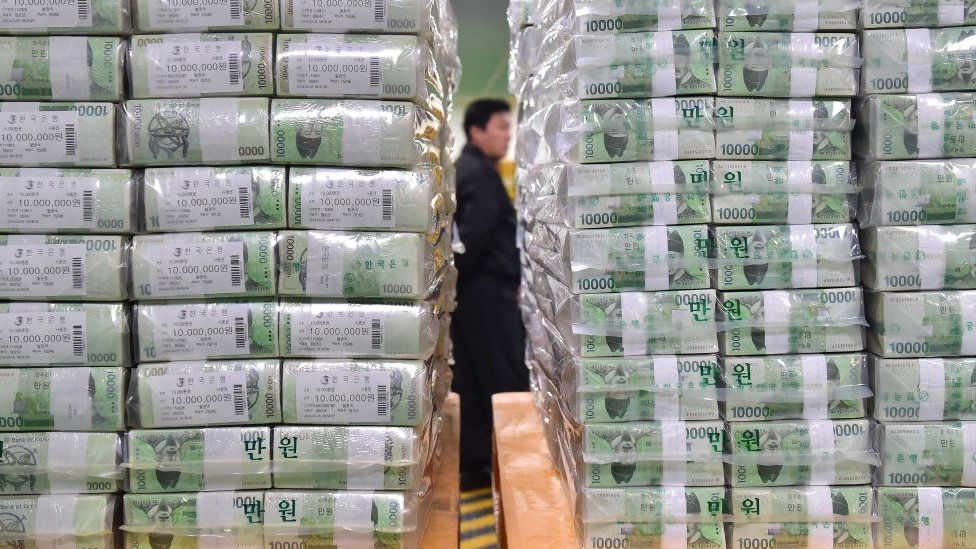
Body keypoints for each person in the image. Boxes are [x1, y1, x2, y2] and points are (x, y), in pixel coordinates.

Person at [452, 99, 528, 490]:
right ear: (477, 130)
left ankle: (475, 467)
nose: (507, 133)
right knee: (505, 382)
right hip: (484, 297)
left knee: (473, 382)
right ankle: (515, 473)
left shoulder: (469, 169)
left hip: (471, 297)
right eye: (500, 126)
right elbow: (473, 239)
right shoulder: (479, 174)